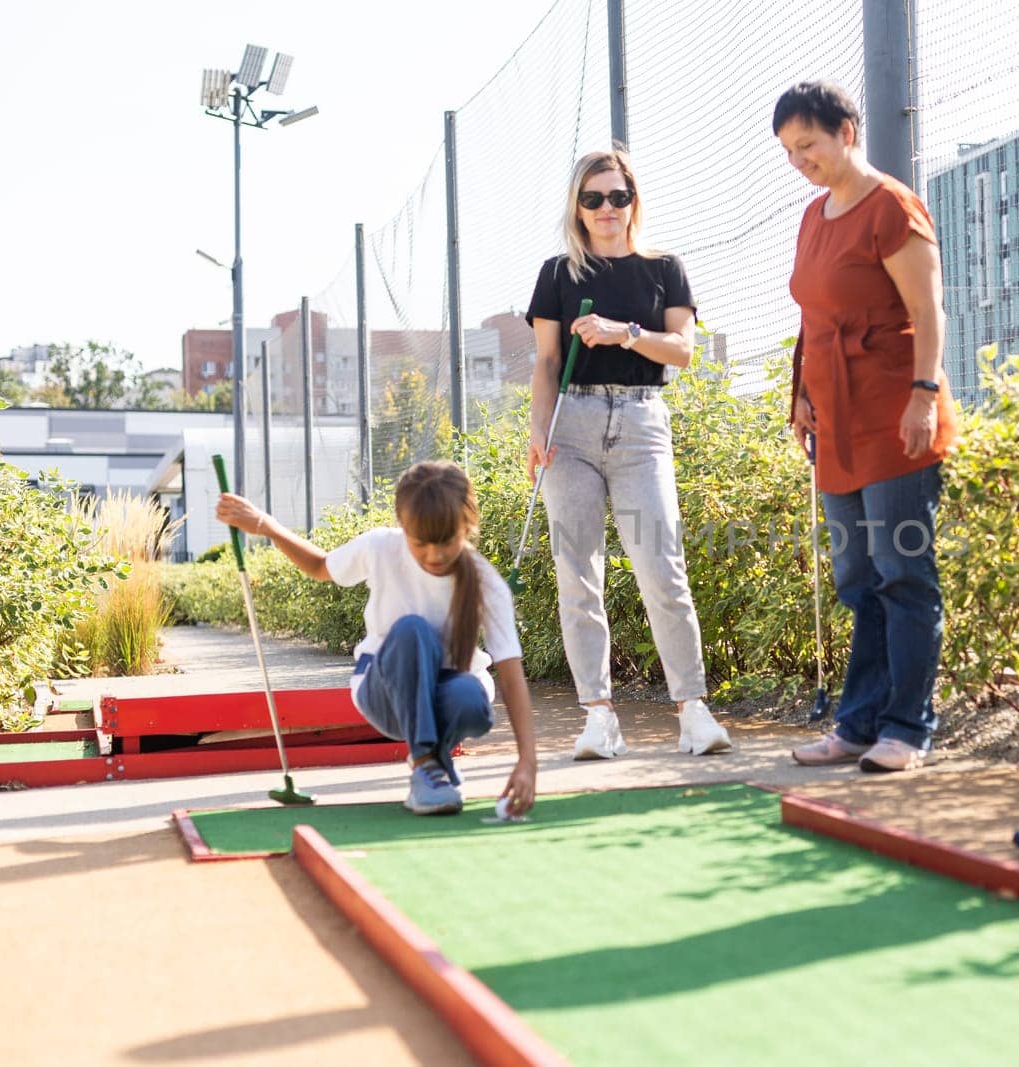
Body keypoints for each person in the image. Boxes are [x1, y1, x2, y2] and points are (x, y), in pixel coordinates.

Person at [775, 82, 961, 774]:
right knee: (857, 574)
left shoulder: (891, 206)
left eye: (810, 145)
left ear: (847, 131)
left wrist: (921, 394)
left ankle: (906, 728)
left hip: (893, 414)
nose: (801, 160)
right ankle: (857, 722)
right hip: (835, 420)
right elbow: (812, 314)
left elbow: (929, 309)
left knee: (903, 571)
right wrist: (800, 395)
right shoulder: (812, 215)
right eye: (790, 151)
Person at [525, 148, 732, 761]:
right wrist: (538, 431)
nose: (607, 209)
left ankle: (693, 710)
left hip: (642, 423)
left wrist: (626, 334)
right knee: (577, 571)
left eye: (618, 196)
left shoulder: (664, 267)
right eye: (593, 199)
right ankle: (598, 716)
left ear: (633, 200)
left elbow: (685, 351)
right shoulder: (558, 274)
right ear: (578, 207)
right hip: (574, 426)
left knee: (660, 564)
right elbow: (545, 362)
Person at [215, 461, 537, 817]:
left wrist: (528, 762)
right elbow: (322, 568)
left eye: (446, 541)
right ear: (403, 527)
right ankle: (427, 764)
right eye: (421, 543)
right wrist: (268, 527)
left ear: (467, 526)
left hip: (449, 695)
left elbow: (510, 672)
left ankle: (434, 765)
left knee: (471, 695)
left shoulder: (484, 581)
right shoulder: (381, 547)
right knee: (413, 631)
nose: (435, 555)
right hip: (384, 690)